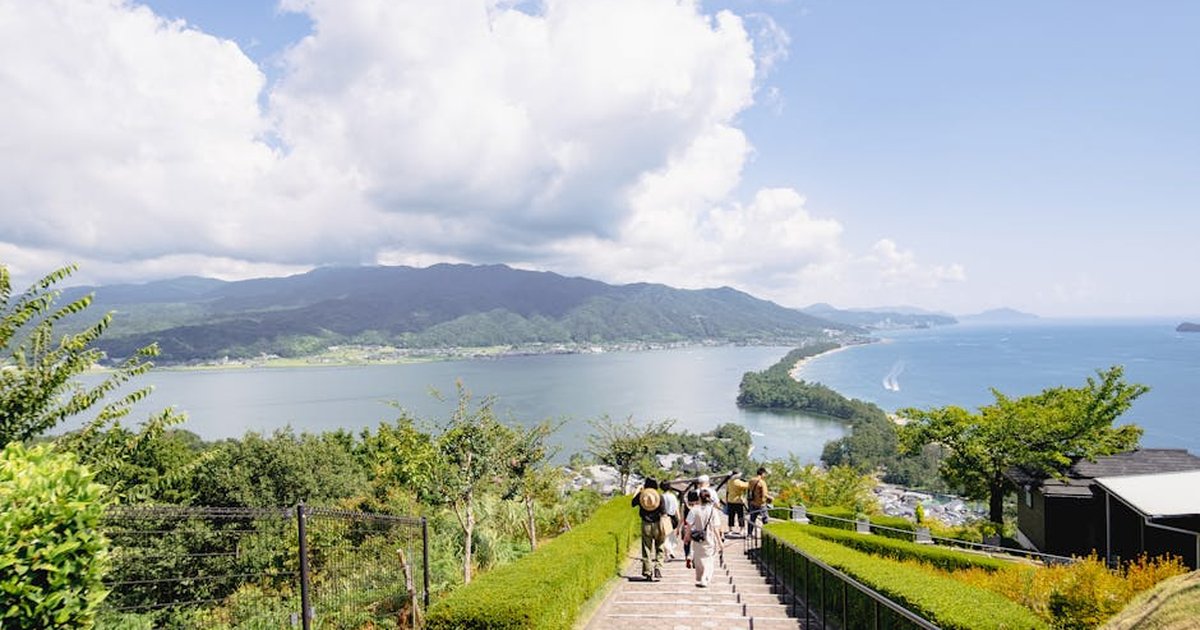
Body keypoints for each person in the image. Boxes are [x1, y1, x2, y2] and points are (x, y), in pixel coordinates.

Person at [684, 488, 723, 587]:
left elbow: (688, 524)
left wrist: (687, 536)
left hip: (697, 538)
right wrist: (720, 541)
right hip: (709, 538)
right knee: (709, 559)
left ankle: (702, 576)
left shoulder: (694, 510)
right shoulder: (713, 511)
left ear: (699, 498)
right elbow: (716, 527)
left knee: (698, 559)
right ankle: (704, 578)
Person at [631, 478, 666, 581]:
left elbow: (632, 503)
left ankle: (648, 571)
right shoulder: (659, 496)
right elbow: (664, 512)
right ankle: (658, 567)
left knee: (646, 548)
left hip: (646, 524)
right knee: (660, 546)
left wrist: (638, 490)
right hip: (658, 524)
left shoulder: (642, 495)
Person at [747, 467, 772, 536]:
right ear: (762, 473)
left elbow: (749, 490)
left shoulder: (751, 480)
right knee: (765, 519)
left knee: (752, 519)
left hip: (752, 503)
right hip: (761, 504)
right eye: (765, 474)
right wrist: (771, 498)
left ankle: (749, 534)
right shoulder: (762, 482)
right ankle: (767, 534)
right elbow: (764, 494)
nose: (765, 475)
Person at [725, 471, 749, 537]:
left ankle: (730, 530)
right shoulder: (738, 482)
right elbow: (747, 485)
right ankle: (741, 529)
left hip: (730, 501)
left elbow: (727, 490)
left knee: (731, 516)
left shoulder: (729, 481)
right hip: (738, 501)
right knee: (740, 516)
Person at [661, 487, 681, 560]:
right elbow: (676, 509)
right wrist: (679, 520)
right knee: (670, 535)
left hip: (664, 517)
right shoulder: (673, 496)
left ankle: (667, 553)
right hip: (673, 518)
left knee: (665, 537)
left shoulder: (661, 496)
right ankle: (671, 551)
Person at [682, 489, 699, 569]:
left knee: (686, 543)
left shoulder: (684, 505)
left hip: (686, 526)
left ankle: (687, 556)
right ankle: (695, 559)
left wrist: (678, 528)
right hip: (696, 527)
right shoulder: (698, 506)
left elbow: (682, 518)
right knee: (697, 545)